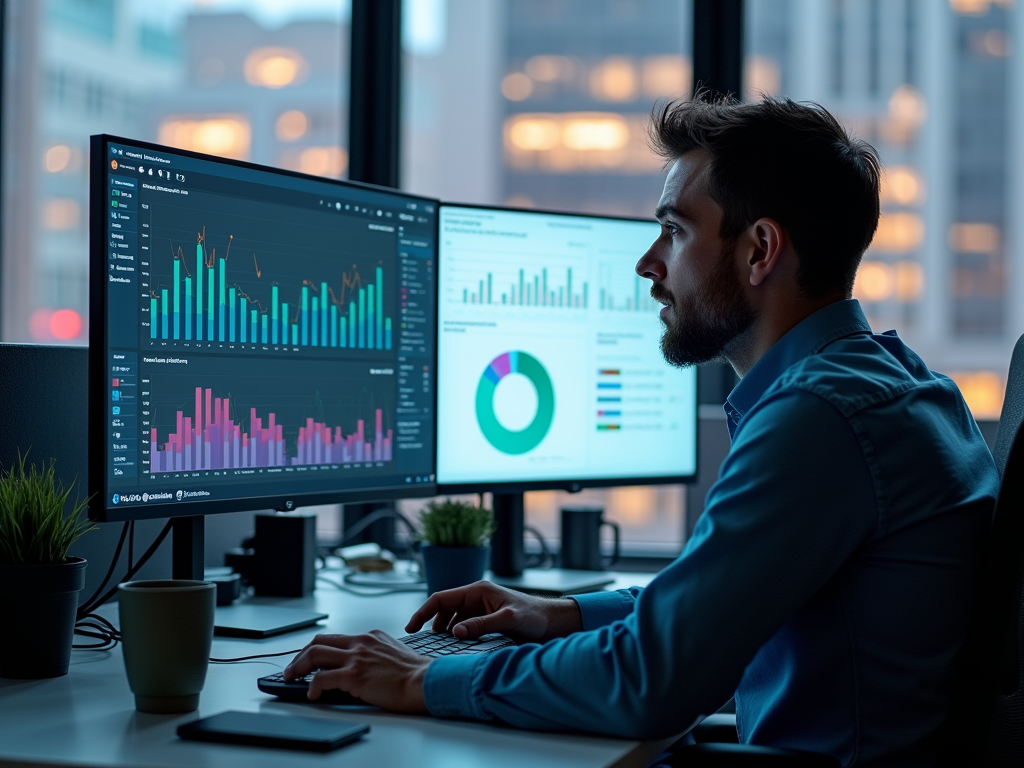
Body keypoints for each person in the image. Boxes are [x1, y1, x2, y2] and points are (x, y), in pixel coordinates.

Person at [284, 95, 999, 767]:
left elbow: (652, 678)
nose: (648, 264)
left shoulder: (820, 421)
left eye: (675, 229)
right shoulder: (901, 385)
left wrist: (424, 681)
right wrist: (562, 613)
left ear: (759, 251)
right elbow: (716, 603)